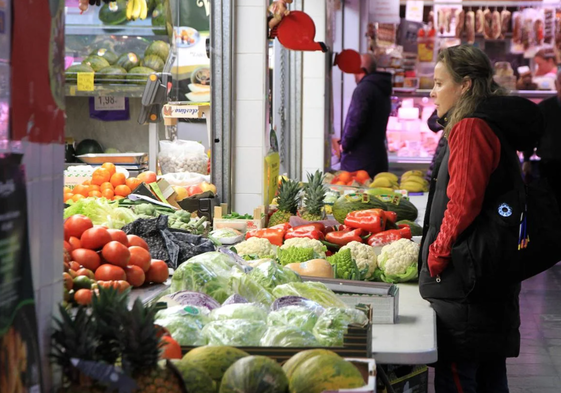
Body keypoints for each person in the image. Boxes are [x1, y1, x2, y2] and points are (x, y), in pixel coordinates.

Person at [419, 45, 543, 392]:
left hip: (468, 284)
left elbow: (462, 204)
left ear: (466, 86)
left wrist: (436, 256)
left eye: (439, 82)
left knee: (459, 376)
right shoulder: (486, 123)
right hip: (487, 276)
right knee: (489, 375)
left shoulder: (471, 128)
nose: (432, 91)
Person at [339, 54, 392, 178]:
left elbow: (355, 120)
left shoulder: (364, 89)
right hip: (377, 157)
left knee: (355, 195)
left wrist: (345, 145)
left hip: (359, 161)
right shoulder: (381, 88)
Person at [523, 70, 561, 209]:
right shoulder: (544, 107)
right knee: (551, 207)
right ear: (556, 85)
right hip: (550, 165)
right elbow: (531, 135)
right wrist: (526, 159)